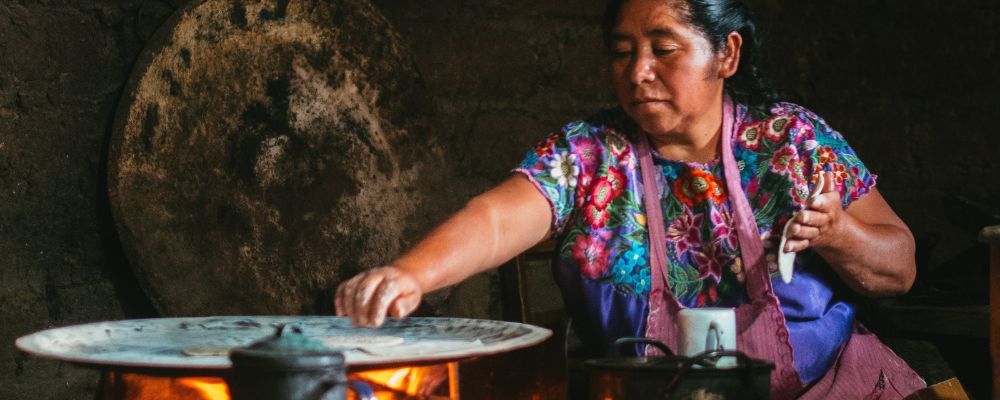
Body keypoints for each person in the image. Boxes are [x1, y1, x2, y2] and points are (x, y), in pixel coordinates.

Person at [336, 0, 926, 398]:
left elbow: (899, 271)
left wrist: (838, 233)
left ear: (727, 55)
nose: (638, 70)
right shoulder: (592, 153)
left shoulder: (791, 140)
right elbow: (496, 219)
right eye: (622, 51)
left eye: (662, 48)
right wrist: (410, 274)